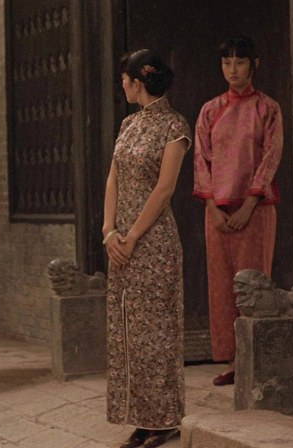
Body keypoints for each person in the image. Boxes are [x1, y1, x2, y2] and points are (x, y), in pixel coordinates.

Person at [103, 49, 191, 448]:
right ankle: (141, 418)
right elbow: (113, 178)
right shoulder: (128, 124)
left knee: (156, 332)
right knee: (128, 332)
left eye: (125, 80)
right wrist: (109, 232)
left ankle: (164, 420)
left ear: (138, 82)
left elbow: (165, 188)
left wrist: (133, 235)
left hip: (153, 244)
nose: (122, 86)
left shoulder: (174, 126)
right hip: (120, 242)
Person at [193, 36, 283, 386]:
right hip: (216, 211)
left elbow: (270, 158)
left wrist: (249, 204)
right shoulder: (210, 110)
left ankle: (254, 360)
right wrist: (212, 207)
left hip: (254, 210)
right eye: (227, 62)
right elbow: (201, 160)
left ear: (254, 64)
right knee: (222, 287)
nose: (233, 69)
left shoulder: (268, 109)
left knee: (253, 283)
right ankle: (232, 361)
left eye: (240, 62)